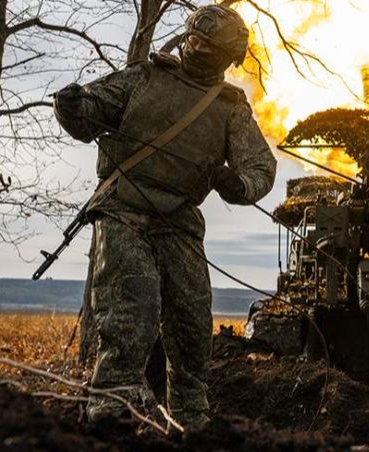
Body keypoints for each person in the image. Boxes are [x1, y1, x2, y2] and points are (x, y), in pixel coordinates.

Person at [53, 5, 276, 428]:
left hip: (178, 221)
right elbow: (89, 113)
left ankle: (190, 420)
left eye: (207, 45)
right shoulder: (144, 77)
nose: (195, 47)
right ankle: (110, 410)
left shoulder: (229, 107)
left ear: (226, 56)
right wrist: (72, 105)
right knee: (132, 309)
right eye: (192, 38)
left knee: (192, 322)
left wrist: (237, 184)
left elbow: (260, 168)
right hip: (123, 209)